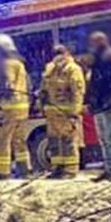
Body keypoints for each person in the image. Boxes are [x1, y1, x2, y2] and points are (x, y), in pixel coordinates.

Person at [0, 34, 32, 178]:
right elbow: (28, 87)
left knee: (3, 140)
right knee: (20, 141)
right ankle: (24, 169)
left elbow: (8, 86)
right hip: (22, 109)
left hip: (8, 109)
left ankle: (2, 171)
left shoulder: (5, 64)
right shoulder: (20, 64)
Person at [42, 44, 86, 179]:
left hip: (67, 112)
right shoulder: (50, 69)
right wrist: (41, 101)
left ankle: (70, 169)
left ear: (66, 54)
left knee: (68, 140)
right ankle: (57, 167)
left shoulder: (73, 69)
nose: (57, 57)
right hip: (52, 112)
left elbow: (78, 92)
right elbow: (44, 87)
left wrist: (75, 111)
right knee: (54, 141)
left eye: (60, 53)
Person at [86, 31, 111, 182]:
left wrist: (107, 101)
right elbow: (95, 85)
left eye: (94, 42)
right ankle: (109, 168)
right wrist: (93, 103)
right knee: (104, 139)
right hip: (101, 106)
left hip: (109, 106)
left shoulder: (109, 58)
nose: (92, 45)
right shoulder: (97, 61)